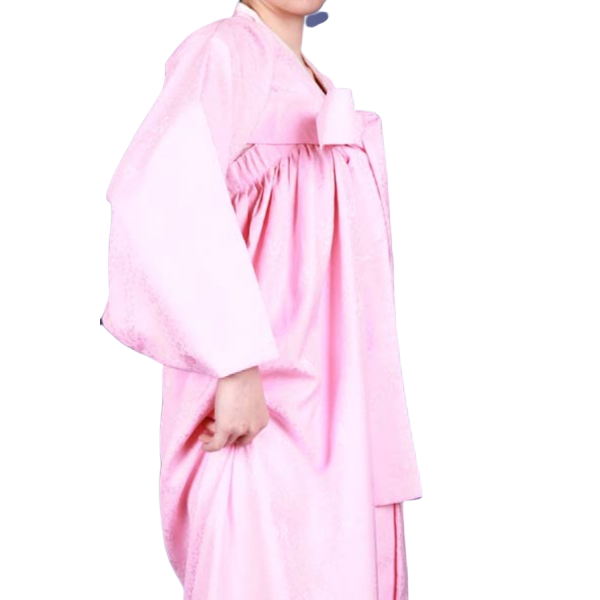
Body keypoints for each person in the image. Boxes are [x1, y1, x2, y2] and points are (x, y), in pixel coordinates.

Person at [101, 1, 422, 598]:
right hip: (261, 407)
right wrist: (234, 361)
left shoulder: (311, 79)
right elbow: (160, 195)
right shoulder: (226, 50)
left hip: (337, 410)